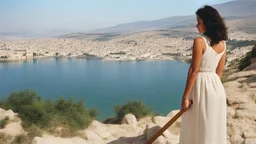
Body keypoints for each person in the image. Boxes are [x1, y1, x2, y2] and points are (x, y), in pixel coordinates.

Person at [179, 5, 228, 144]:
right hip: (216, 89)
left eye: (199, 22)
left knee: (197, 125)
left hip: (201, 87)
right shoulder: (223, 44)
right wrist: (213, 88)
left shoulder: (200, 41)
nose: (197, 25)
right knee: (211, 126)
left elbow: (193, 71)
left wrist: (185, 97)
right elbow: (219, 71)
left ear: (208, 22)